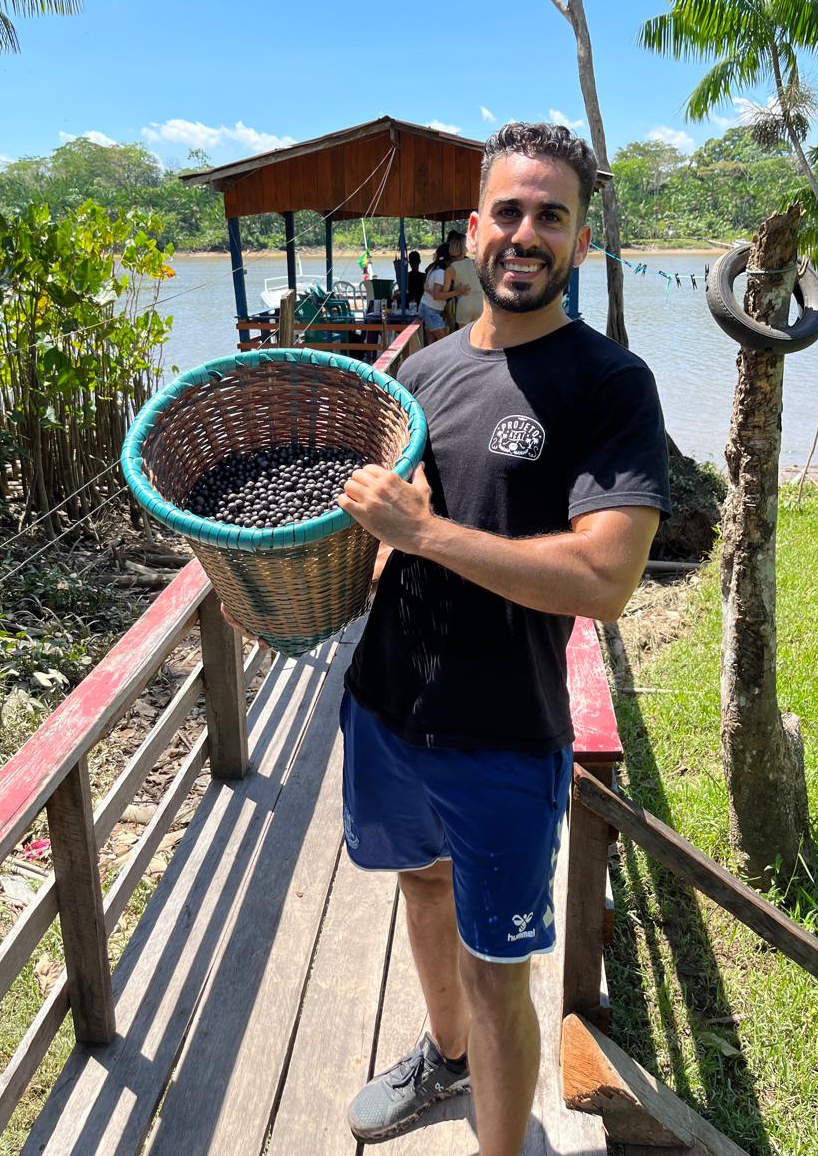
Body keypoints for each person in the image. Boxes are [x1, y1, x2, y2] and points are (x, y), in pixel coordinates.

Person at [336, 122, 671, 1154]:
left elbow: (604, 576)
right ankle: (444, 1060)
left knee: (497, 965)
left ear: (575, 238)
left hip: (505, 732)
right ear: (475, 230)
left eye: (551, 216)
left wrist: (425, 528)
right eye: (510, 212)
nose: (526, 234)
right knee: (420, 884)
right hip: (390, 702)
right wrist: (376, 540)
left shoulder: (609, 382)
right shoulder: (424, 374)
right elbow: (398, 541)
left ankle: (500, 1144)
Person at [418, 241, 468, 343]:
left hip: (428, 307)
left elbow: (434, 293)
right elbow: (437, 296)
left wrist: (428, 290)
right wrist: (457, 292)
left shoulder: (434, 268)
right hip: (430, 310)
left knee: (431, 343)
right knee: (445, 342)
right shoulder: (441, 272)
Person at [444, 228, 484, 328]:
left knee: (463, 339)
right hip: (480, 301)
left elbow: (445, 294)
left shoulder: (450, 269)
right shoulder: (475, 263)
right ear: (464, 249)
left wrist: (456, 292)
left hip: (464, 302)